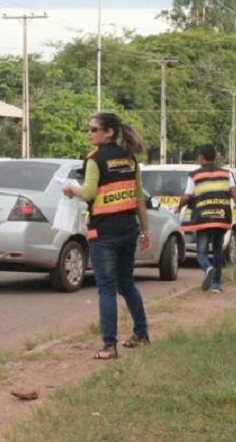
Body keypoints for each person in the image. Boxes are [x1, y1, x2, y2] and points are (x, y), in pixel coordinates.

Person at [62, 111, 151, 360]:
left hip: (103, 233)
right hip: (128, 230)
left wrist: (70, 189)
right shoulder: (129, 159)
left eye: (93, 129)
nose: (89, 134)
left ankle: (109, 345)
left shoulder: (94, 159)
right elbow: (139, 199)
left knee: (107, 289)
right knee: (127, 284)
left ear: (108, 132)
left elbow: (89, 193)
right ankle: (141, 333)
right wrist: (146, 230)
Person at [175, 144, 236, 294]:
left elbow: (187, 196)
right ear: (215, 157)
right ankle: (217, 284)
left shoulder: (194, 175)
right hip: (221, 217)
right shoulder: (226, 174)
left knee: (202, 252)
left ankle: (208, 268)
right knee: (217, 251)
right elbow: (235, 195)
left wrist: (178, 207)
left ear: (201, 157)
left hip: (203, 218)